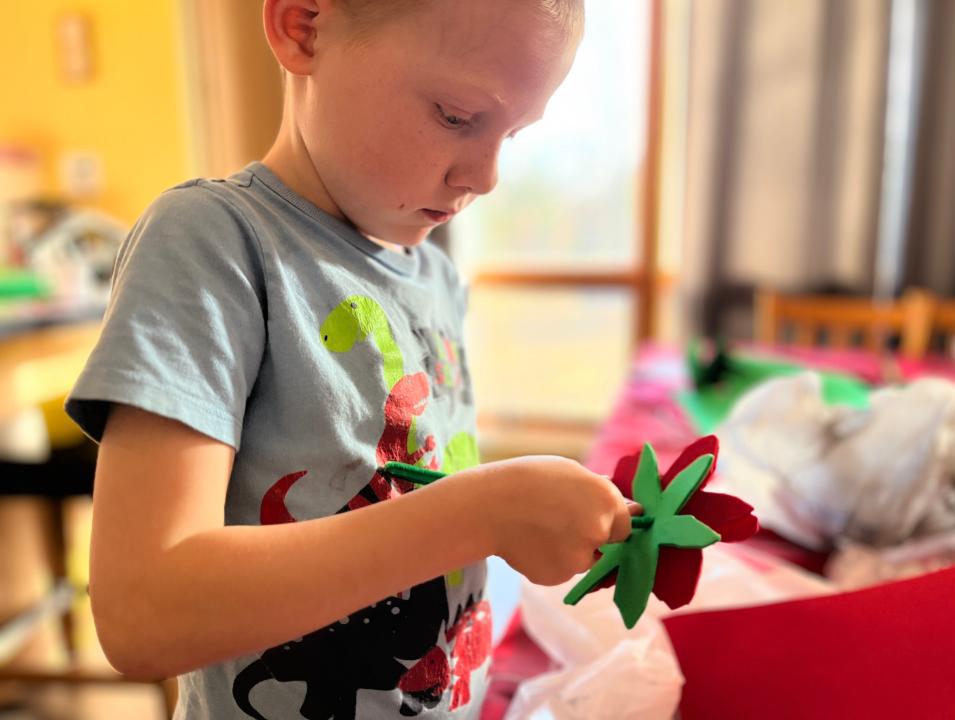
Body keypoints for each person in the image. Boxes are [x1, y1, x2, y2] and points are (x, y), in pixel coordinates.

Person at [66, 1, 636, 717]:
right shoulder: (213, 244)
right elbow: (144, 612)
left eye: (514, 134)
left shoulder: (435, 279)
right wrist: (483, 512)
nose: (488, 177)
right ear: (303, 27)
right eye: (457, 116)